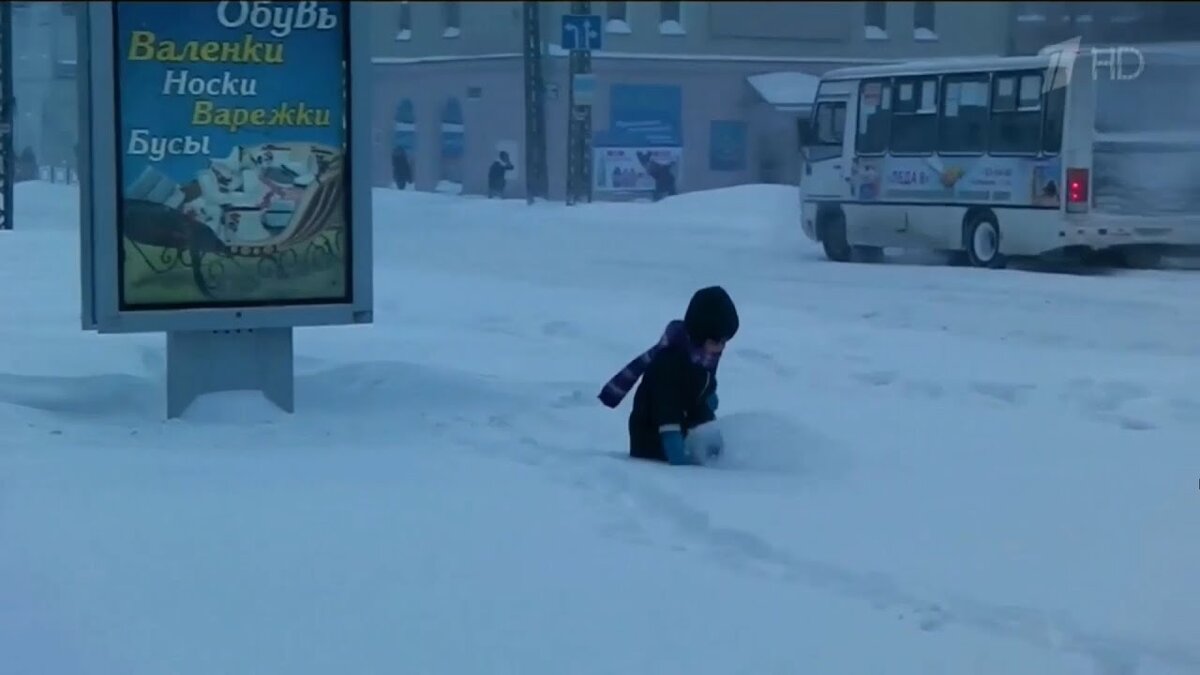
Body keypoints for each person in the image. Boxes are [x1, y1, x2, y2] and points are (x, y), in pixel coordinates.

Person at [598, 286, 739, 466]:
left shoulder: (704, 356)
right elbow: (666, 406)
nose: (721, 347)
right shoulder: (669, 361)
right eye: (716, 341)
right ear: (699, 336)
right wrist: (675, 450)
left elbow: (704, 382)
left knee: (708, 434)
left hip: (686, 423)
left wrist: (708, 395)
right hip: (653, 436)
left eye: (724, 341)